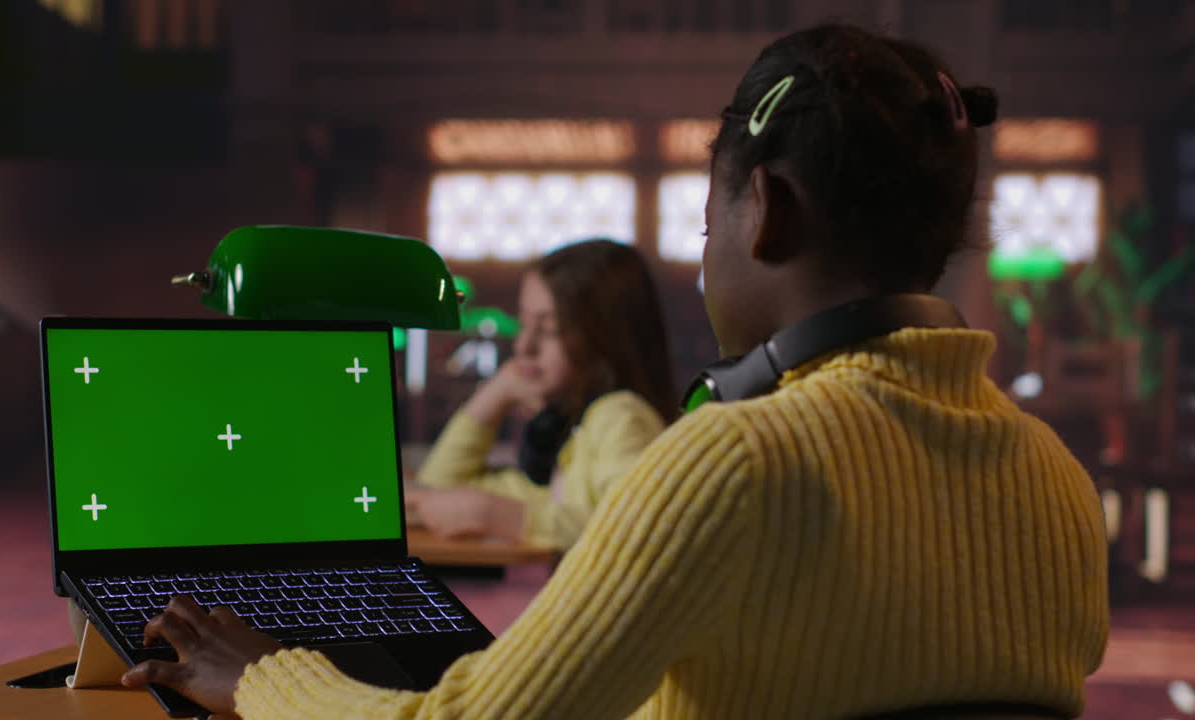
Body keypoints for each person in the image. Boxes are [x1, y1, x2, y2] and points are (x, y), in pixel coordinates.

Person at [122, 24, 1109, 719]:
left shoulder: (733, 461)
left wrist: (259, 672)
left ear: (762, 209)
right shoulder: (1055, 480)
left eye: (706, 217)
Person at [405, 239, 678, 550]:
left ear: (605, 335)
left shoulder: (620, 415)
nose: (524, 347)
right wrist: (496, 394)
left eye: (548, 329)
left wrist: (500, 516)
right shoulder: (578, 445)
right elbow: (439, 489)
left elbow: (639, 531)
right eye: (524, 325)